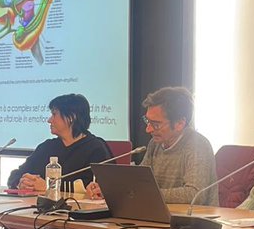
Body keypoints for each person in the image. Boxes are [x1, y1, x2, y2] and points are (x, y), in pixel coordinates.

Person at [86, 87, 218, 205]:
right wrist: (109, 189)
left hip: (194, 226)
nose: (148, 129)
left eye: (156, 124)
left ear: (180, 123)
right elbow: (139, 182)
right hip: (160, 220)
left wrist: (146, 194)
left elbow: (194, 194)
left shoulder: (197, 146)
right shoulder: (155, 143)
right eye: (147, 121)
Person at [8, 93, 112, 191]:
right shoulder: (47, 147)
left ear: (71, 117)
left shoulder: (96, 148)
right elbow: (15, 175)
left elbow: (100, 187)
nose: (49, 120)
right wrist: (21, 183)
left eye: (54, 114)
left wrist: (49, 187)